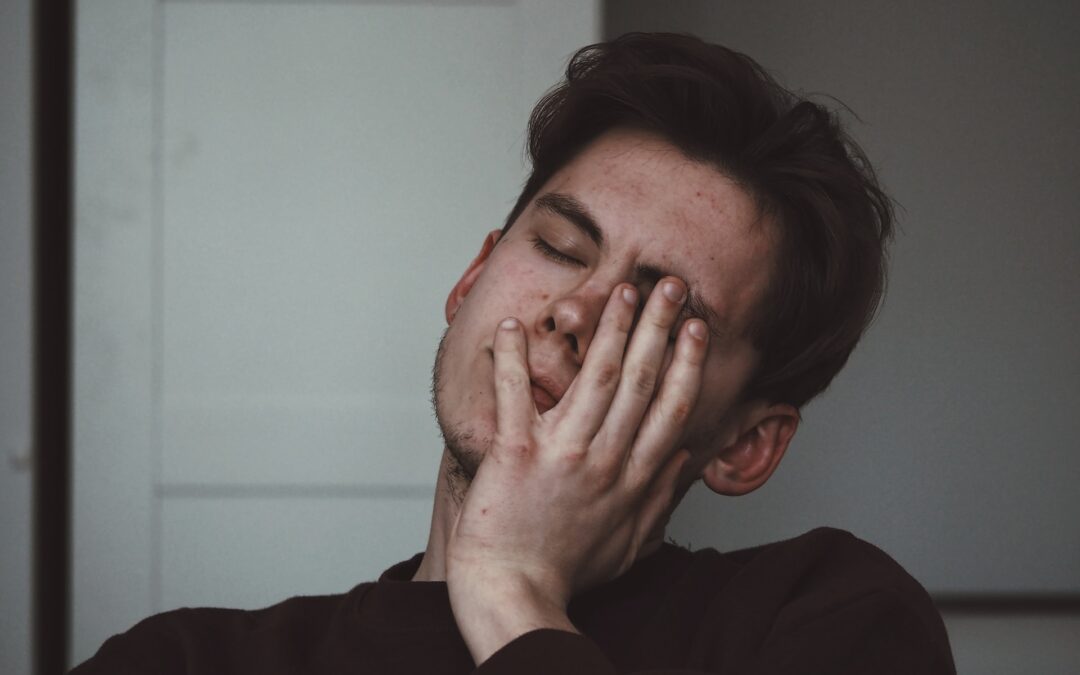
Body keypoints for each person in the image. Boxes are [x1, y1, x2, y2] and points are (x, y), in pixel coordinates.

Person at [72, 32, 955, 674]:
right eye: (563, 251)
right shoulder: (184, 657)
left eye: (653, 311)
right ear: (470, 281)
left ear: (745, 444)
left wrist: (513, 590)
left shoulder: (831, 618)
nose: (573, 311)